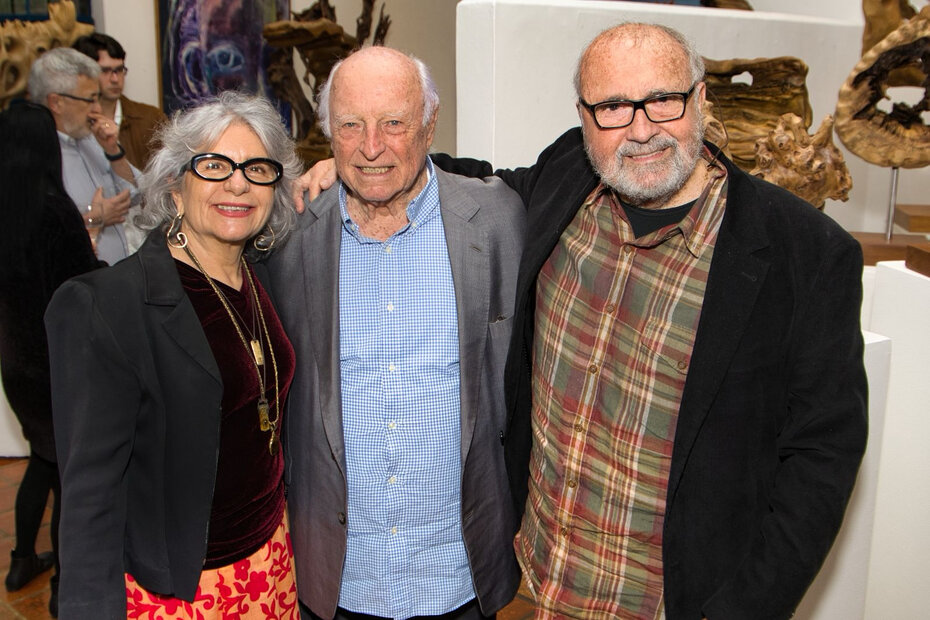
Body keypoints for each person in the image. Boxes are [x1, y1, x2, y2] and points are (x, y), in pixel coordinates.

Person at [302, 24, 869, 620]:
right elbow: (477, 179)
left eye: (663, 100)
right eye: (613, 107)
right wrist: (366, 163)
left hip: (669, 603)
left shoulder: (804, 254)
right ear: (585, 119)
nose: (641, 128)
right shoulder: (566, 179)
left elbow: (820, 461)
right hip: (533, 588)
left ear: (702, 99)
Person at [262, 46, 525, 620]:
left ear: (429, 125)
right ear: (327, 131)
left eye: (394, 124)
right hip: (334, 577)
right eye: (350, 125)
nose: (371, 147)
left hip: (460, 576)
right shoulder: (288, 233)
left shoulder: (499, 220)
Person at [45, 92, 301, 619]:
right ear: (175, 187)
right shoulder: (109, 306)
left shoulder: (263, 274)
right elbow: (90, 495)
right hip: (183, 591)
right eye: (214, 166)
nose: (238, 183)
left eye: (256, 168)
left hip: (273, 563)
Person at [0, 101, 102, 618]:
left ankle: (20, 560)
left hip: (15, 365)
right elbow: (82, 283)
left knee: (42, 458)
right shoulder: (55, 209)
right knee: (68, 477)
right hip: (56, 365)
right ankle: (65, 588)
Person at [28, 47, 143, 265]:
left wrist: (113, 152)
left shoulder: (94, 138)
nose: (97, 108)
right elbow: (31, 237)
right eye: (90, 99)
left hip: (117, 276)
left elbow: (137, 196)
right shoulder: (33, 154)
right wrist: (93, 219)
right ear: (56, 102)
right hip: (73, 284)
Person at [73, 32, 167, 170]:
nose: (115, 79)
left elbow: (169, 176)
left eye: (119, 70)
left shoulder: (151, 119)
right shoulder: (73, 123)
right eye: (105, 71)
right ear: (83, 75)